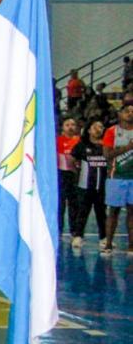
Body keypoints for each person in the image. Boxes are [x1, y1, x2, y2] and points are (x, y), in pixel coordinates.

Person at [101, 102, 133, 255]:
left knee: (132, 212)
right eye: (127, 111)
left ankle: (131, 245)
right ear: (120, 114)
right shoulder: (112, 131)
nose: (130, 113)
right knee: (113, 211)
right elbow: (107, 155)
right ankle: (108, 244)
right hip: (116, 177)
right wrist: (128, 148)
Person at [71, 119, 108, 248]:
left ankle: (103, 238)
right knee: (83, 211)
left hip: (102, 186)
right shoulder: (81, 145)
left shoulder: (106, 145)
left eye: (101, 126)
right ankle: (78, 236)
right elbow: (72, 159)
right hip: (85, 186)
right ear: (89, 130)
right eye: (96, 127)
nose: (99, 129)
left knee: (101, 213)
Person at [57, 117, 81, 239]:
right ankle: (58, 230)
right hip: (61, 175)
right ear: (63, 127)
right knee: (60, 204)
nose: (70, 127)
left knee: (74, 204)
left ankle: (74, 231)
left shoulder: (79, 141)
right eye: (67, 125)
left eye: (73, 124)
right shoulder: (57, 141)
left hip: (75, 176)